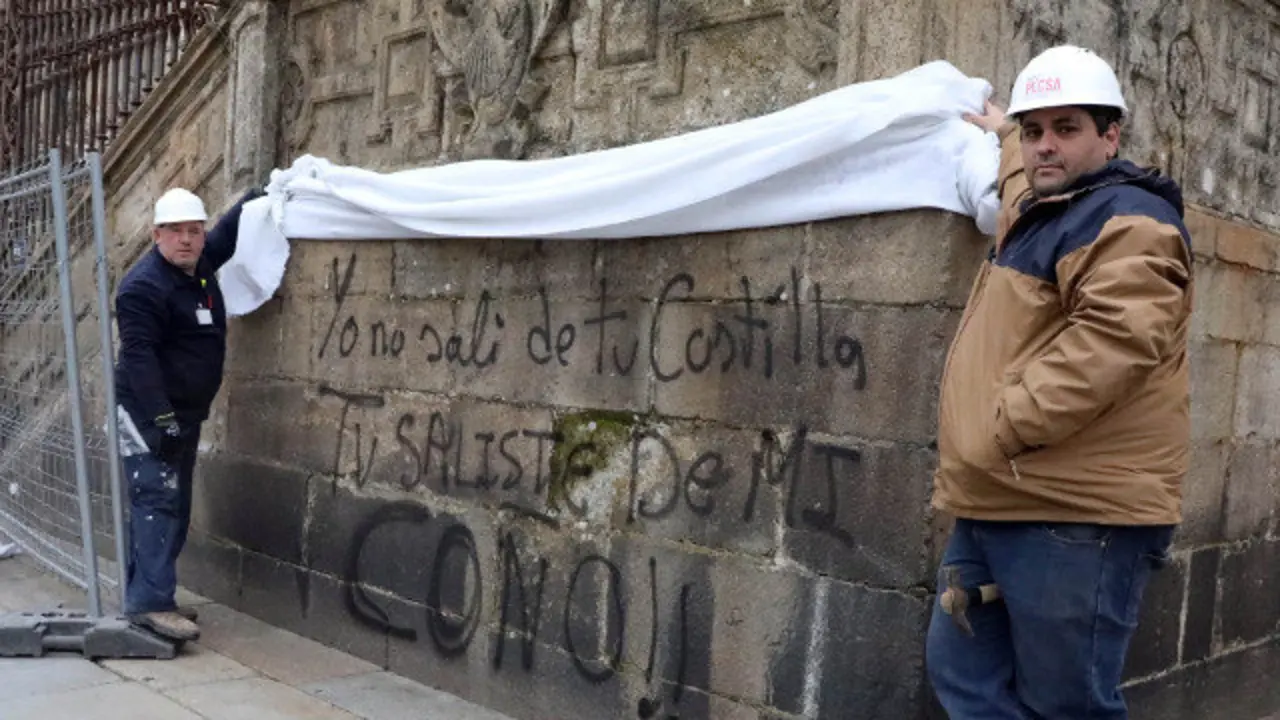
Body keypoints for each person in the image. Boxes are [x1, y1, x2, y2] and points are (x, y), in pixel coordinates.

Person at [926, 45, 1193, 718]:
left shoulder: (1130, 219)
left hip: (1073, 514)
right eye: (1035, 129)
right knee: (964, 680)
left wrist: (998, 427)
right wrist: (1003, 133)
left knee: (1065, 705)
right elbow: (1027, 178)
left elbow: (1116, 340)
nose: (1046, 146)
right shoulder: (1054, 202)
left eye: (1067, 129)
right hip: (1000, 498)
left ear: (1110, 136)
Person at [114, 185, 262, 641]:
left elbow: (223, 239)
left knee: (173, 503)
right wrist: (161, 420)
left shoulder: (197, 267)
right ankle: (151, 604)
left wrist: (257, 199)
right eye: (175, 231)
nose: (187, 239)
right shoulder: (143, 288)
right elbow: (138, 358)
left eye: (193, 231)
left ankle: (150, 595)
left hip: (184, 413)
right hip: (148, 414)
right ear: (156, 234)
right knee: (156, 500)